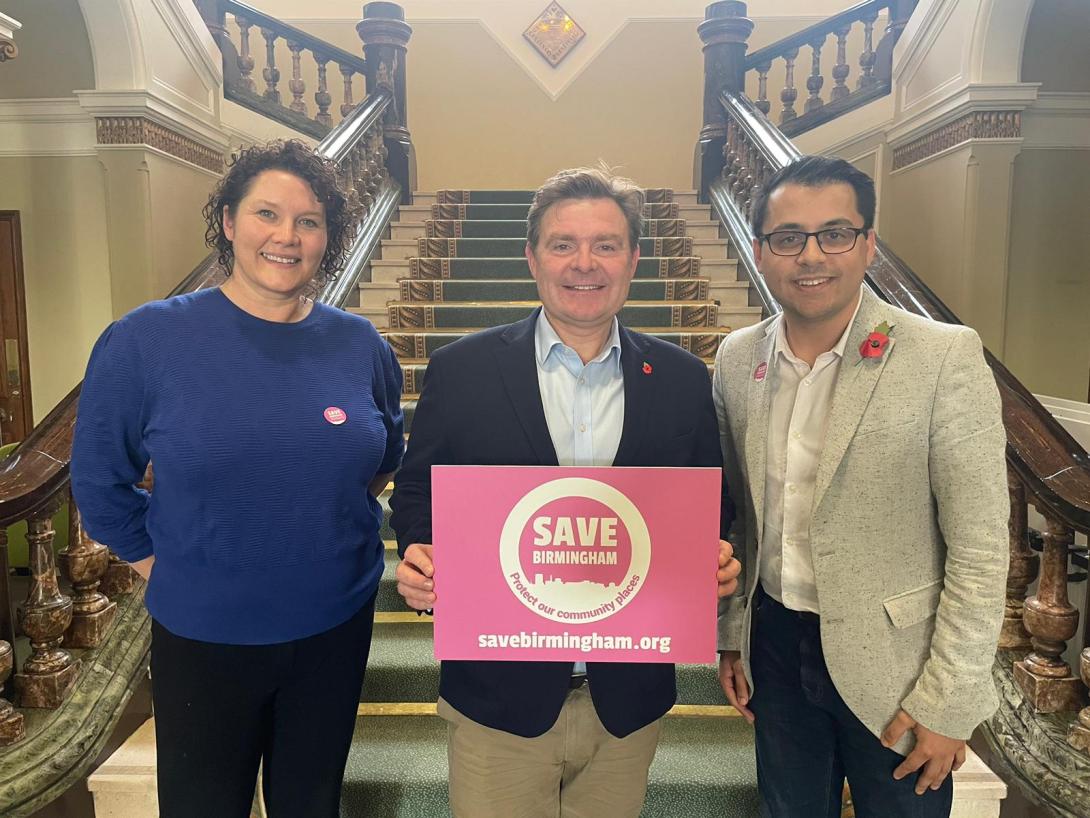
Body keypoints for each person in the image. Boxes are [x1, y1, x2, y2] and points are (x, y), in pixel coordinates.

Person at [390, 166, 741, 817]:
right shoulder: (461, 371)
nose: (585, 263)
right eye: (562, 244)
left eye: (606, 244)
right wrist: (421, 552)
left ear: (634, 257)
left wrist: (712, 557)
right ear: (532, 257)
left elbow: (709, 504)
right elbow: (416, 491)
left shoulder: (683, 380)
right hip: (498, 700)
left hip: (626, 704)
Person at [71, 139, 404, 818]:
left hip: (334, 625)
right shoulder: (146, 341)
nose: (287, 236)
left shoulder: (360, 345)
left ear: (327, 238)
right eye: (266, 214)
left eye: (308, 221)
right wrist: (160, 564)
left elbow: (383, 460)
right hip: (204, 633)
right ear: (227, 221)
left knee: (310, 804)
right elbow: (100, 482)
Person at [713, 155, 1009, 818]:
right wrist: (732, 633)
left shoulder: (943, 356)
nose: (811, 255)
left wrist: (952, 699)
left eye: (835, 233)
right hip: (778, 653)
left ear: (868, 243)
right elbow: (741, 523)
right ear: (761, 251)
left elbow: (982, 547)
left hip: (898, 665)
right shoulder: (736, 360)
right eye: (788, 237)